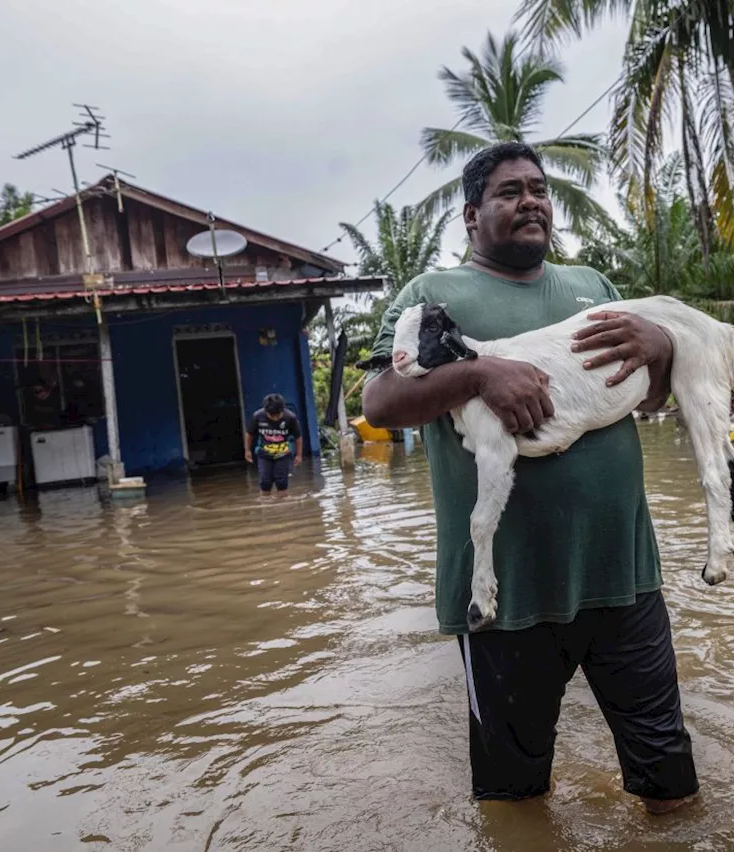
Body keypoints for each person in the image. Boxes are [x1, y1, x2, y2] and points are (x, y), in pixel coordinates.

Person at [362, 142, 697, 813]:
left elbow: (654, 396)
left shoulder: (593, 287)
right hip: (503, 597)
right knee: (514, 798)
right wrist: (479, 373)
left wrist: (665, 349)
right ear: (471, 213)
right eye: (510, 191)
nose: (531, 201)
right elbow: (379, 403)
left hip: (622, 578)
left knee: (670, 782)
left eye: (539, 189)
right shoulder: (433, 295)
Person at [244, 393, 303, 495]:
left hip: (283, 454)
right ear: (266, 411)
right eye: (272, 416)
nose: (275, 418)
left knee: (282, 483)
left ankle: (283, 505)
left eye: (277, 415)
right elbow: (249, 434)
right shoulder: (257, 416)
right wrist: (247, 450)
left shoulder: (290, 418)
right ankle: (266, 507)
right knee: (265, 482)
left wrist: (299, 455)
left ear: (282, 410)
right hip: (264, 454)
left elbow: (298, 437)